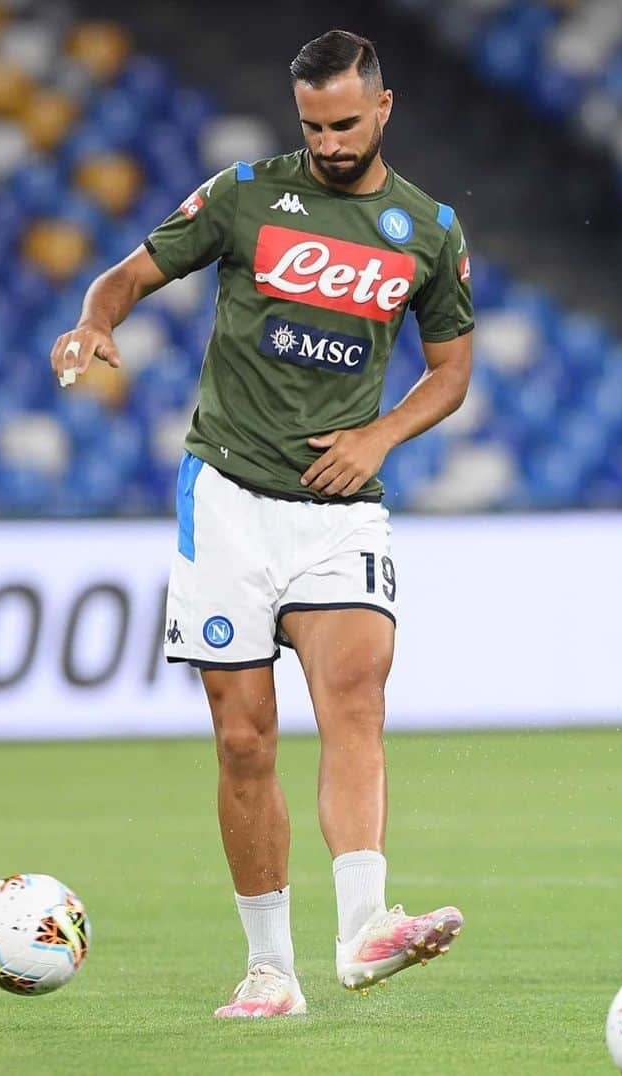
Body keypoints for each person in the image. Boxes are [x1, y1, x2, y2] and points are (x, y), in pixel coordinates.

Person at [50, 29, 474, 1018]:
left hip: (339, 506)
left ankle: (365, 926)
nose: (328, 141)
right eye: (313, 125)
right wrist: (95, 321)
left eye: (344, 122)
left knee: (356, 697)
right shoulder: (242, 195)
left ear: (383, 108)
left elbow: (451, 372)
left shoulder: (429, 228)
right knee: (245, 740)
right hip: (230, 497)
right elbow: (126, 275)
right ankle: (269, 970)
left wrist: (380, 436)